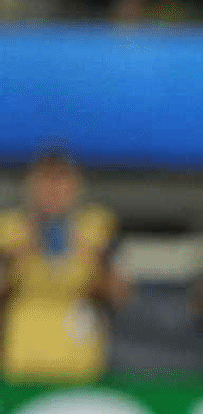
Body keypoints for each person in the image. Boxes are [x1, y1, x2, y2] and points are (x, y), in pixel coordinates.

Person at [0, 149, 128, 383]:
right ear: (31, 187)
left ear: (76, 186)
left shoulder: (97, 227)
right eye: (46, 181)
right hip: (21, 360)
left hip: (80, 360)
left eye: (61, 180)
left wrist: (93, 259)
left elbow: (120, 295)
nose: (54, 190)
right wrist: (16, 256)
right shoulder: (9, 229)